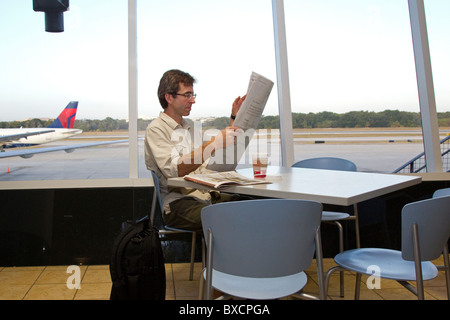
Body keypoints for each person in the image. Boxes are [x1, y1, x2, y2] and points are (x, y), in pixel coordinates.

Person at [144, 69, 247, 232]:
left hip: (205, 195)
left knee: (251, 206)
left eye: (193, 95)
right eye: (187, 95)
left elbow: (216, 154)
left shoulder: (189, 127)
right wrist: (213, 144)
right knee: (228, 218)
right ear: (169, 97)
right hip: (179, 203)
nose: (193, 101)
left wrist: (235, 118)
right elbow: (175, 170)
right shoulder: (156, 130)